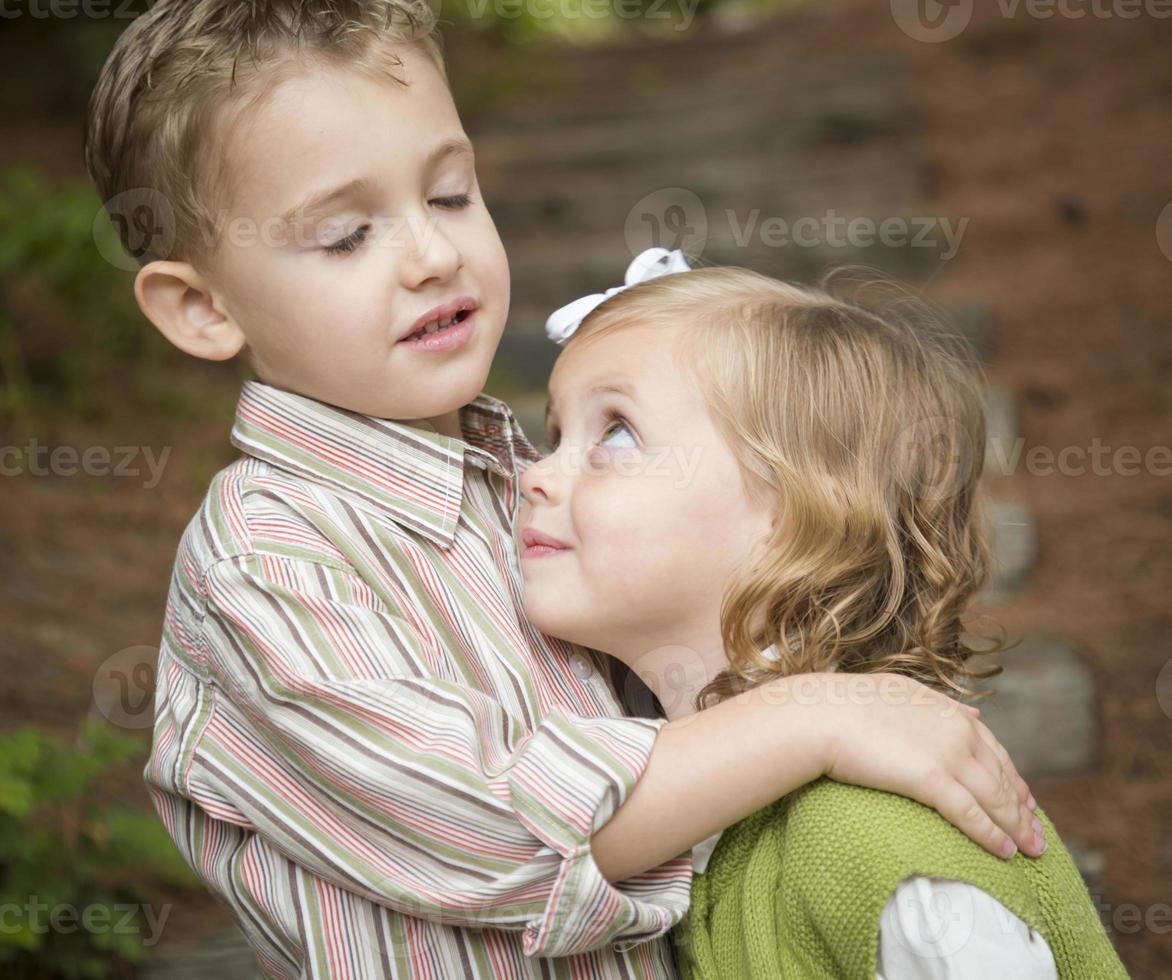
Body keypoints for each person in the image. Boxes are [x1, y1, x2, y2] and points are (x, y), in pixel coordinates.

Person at [83, 3, 1044, 975]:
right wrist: (812, 716)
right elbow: (476, 819)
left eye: (450, 193)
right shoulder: (268, 563)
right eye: (344, 234)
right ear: (202, 307)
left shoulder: (525, 483)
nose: (431, 254)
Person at [519, 251, 1128, 978]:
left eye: (615, 432)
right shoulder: (702, 813)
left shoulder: (872, 841)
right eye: (556, 435)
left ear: (795, 513)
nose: (533, 474)